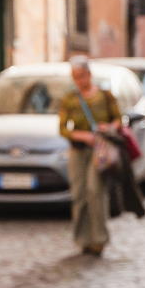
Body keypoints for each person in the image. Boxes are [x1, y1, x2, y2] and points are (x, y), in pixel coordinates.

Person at [59, 56, 122, 256]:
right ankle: (83, 239)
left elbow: (119, 120)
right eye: (75, 77)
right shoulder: (69, 99)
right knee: (79, 193)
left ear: (89, 74)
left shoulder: (105, 96)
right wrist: (80, 135)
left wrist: (109, 127)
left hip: (100, 148)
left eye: (81, 76)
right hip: (78, 150)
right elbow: (62, 128)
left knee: (95, 190)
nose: (79, 80)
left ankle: (100, 239)